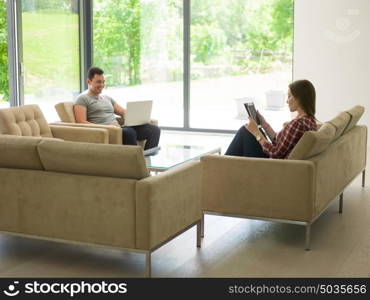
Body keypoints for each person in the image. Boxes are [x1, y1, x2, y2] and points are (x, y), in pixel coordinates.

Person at [225, 79, 317, 159]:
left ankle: (221, 165)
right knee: (246, 132)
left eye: (289, 96)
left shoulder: (298, 124)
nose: (286, 101)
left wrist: (256, 133)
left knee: (245, 131)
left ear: (299, 98)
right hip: (273, 161)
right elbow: (278, 142)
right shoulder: (309, 120)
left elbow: (275, 153)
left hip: (270, 166)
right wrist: (264, 124)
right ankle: (225, 165)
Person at [74, 67, 160, 150]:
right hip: (108, 131)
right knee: (129, 132)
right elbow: (81, 122)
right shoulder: (82, 99)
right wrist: (107, 127)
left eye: (103, 82)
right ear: (89, 82)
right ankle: (134, 162)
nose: (102, 85)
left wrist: (134, 119)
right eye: (98, 82)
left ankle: (147, 160)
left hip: (119, 129)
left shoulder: (107, 98)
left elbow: (123, 112)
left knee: (154, 130)